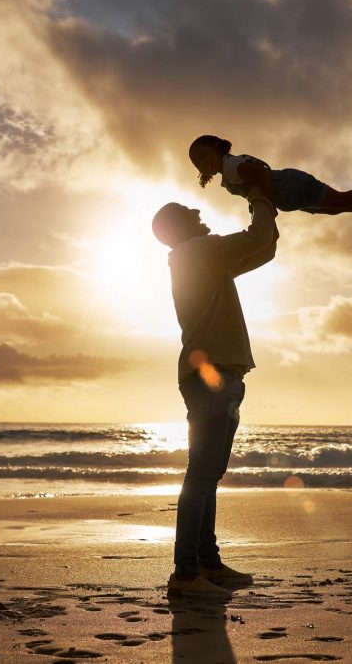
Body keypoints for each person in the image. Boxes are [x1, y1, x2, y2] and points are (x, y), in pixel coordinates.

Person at [152, 187, 279, 597]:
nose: (196, 209)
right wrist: (258, 194)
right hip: (213, 378)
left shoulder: (202, 261)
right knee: (202, 476)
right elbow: (260, 240)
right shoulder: (198, 252)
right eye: (188, 210)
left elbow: (264, 250)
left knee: (208, 476)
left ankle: (206, 563)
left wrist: (265, 208)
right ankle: (186, 574)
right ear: (178, 227)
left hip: (222, 376)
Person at [188, 134, 352, 224]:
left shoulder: (231, 165)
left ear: (217, 147)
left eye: (204, 155)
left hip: (292, 186)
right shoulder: (228, 173)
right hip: (291, 195)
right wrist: (254, 204)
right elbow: (252, 187)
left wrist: (266, 203)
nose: (203, 163)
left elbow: (261, 174)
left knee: (340, 200)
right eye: (198, 163)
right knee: (335, 208)